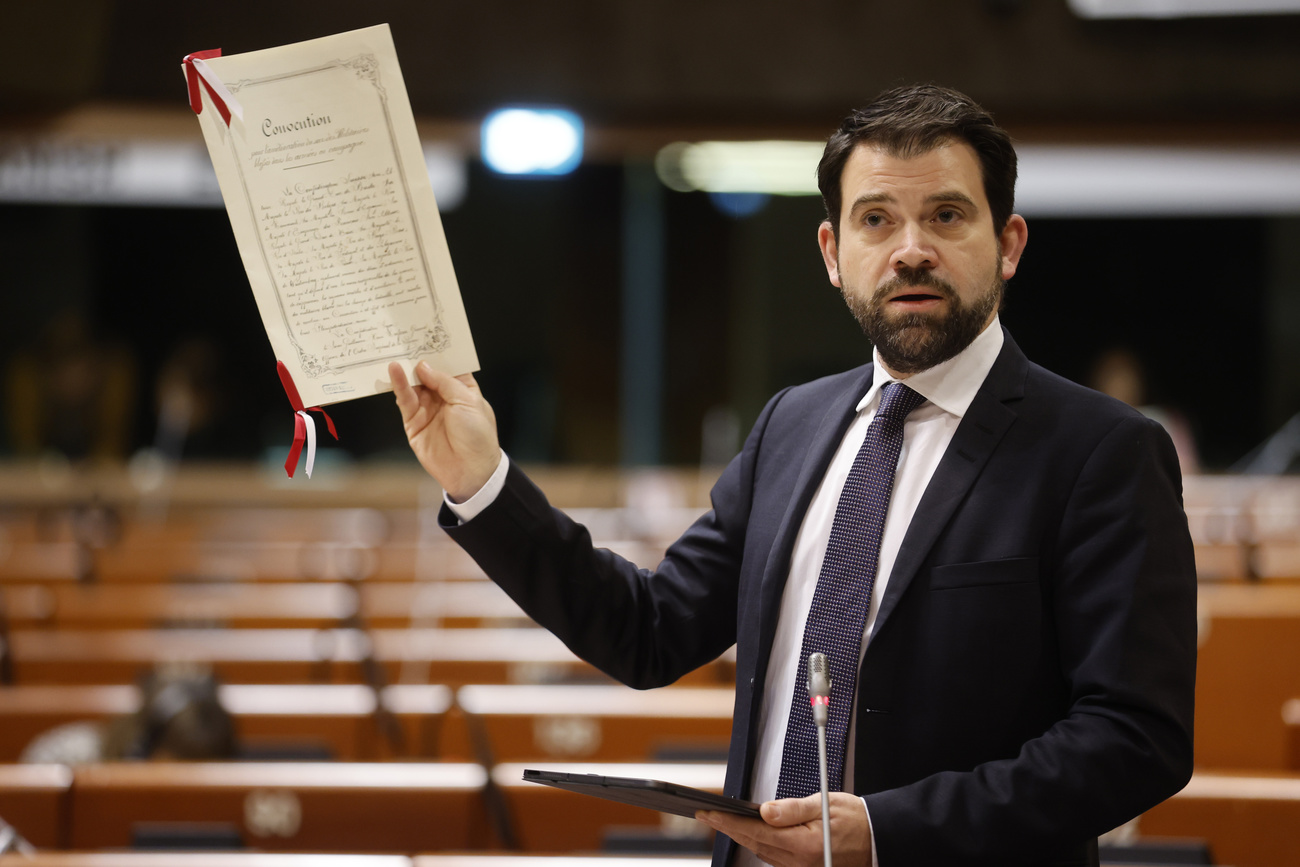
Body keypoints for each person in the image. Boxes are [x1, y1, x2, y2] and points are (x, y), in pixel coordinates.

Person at [389, 85, 1196, 867]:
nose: (911, 246)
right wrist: (481, 480)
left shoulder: (1101, 449)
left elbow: (1136, 738)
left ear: (1009, 243)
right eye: (875, 219)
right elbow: (648, 629)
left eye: (946, 215)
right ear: (833, 253)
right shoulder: (792, 426)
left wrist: (884, 831)